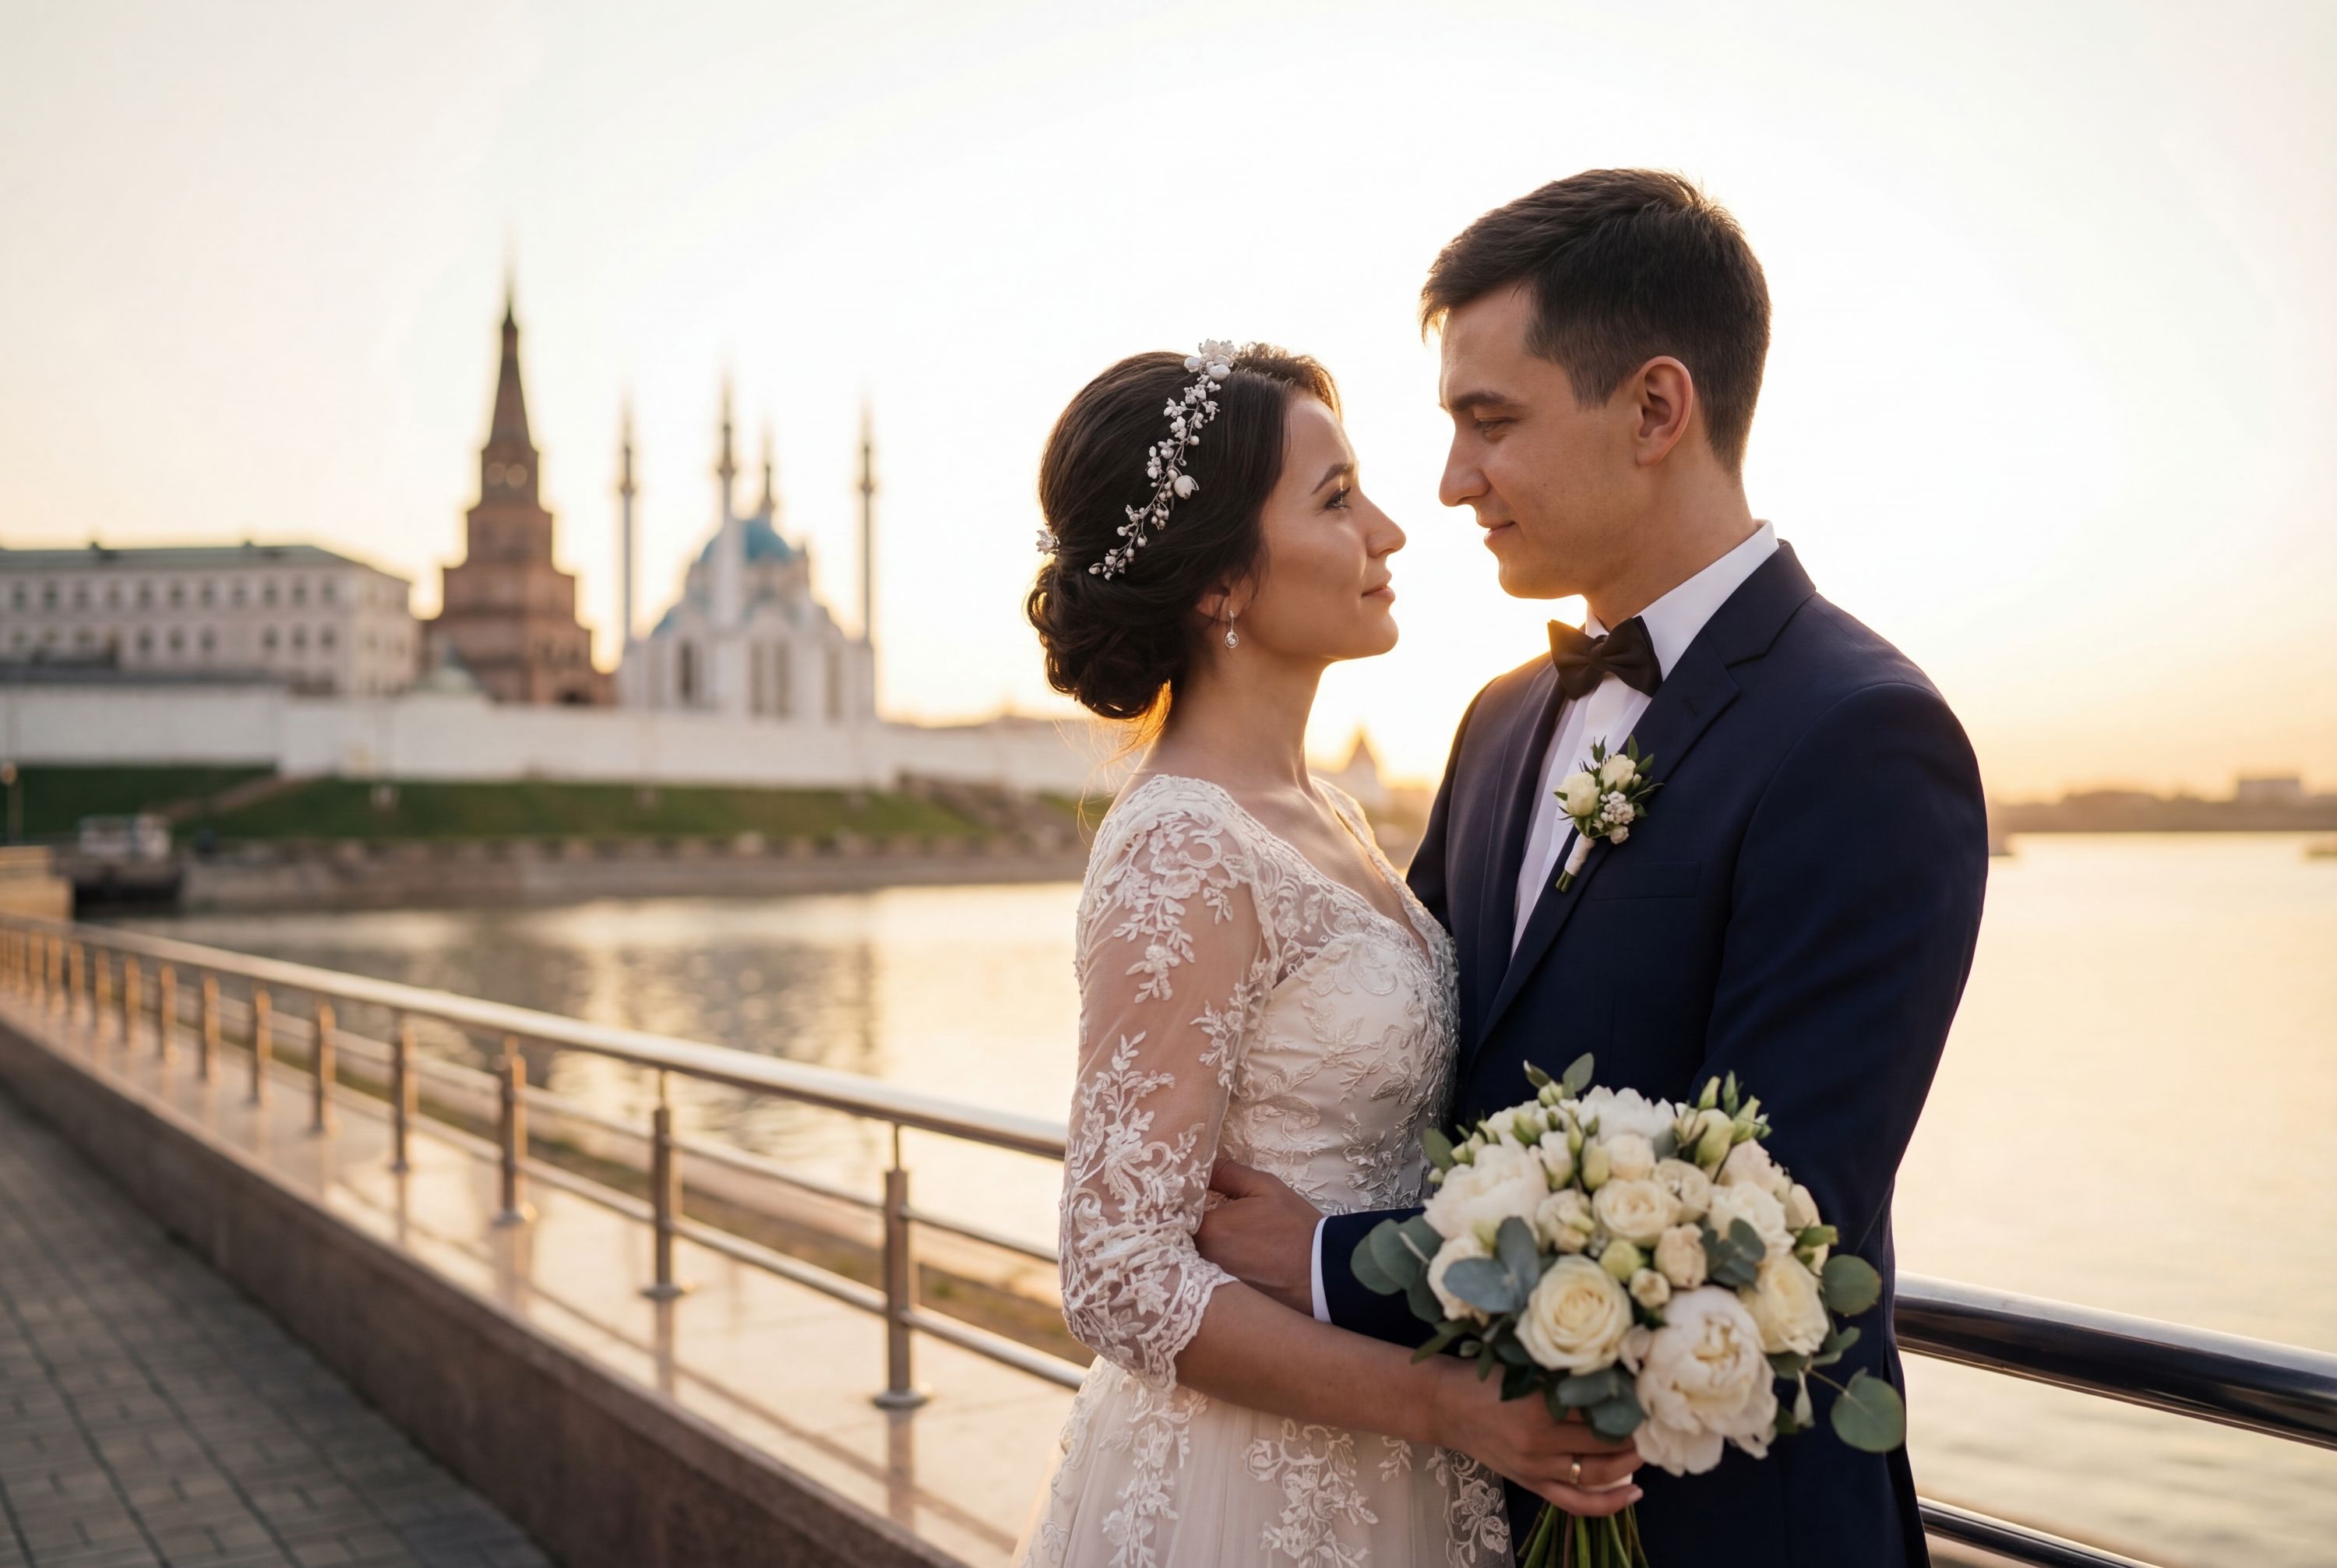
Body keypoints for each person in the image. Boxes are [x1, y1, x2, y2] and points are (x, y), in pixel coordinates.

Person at [1196, 171, 1990, 1566]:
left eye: (1488, 421)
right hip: (1457, 1506)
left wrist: (1330, 1263)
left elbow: (1771, 1212)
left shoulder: (1866, 735)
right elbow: (1424, 1054)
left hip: (1732, 1532)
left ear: (1656, 409)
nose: (1449, 482)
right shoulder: (1500, 720)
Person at [1015, 344, 1642, 1566]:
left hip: (1404, 1461)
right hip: (1249, 1487)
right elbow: (1116, 1269)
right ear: (1218, 585)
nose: (1393, 530)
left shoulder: (1324, 818)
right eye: (1337, 499)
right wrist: (1449, 1404)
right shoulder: (1181, 843)